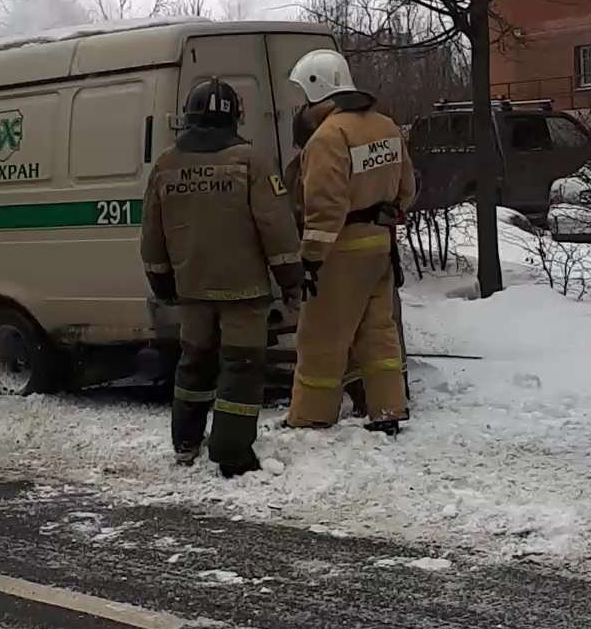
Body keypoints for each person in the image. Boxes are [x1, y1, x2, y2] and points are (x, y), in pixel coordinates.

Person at [140, 78, 303, 477]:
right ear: (235, 116)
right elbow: (276, 226)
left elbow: (152, 235)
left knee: (193, 364)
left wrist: (162, 284)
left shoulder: (165, 165)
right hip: (243, 293)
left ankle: (185, 442)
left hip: (192, 291)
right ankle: (231, 452)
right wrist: (291, 279)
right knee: (241, 367)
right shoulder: (250, 160)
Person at [285, 49, 416, 435]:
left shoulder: (329, 136)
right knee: (378, 332)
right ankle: (388, 408)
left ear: (316, 88)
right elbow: (407, 188)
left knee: (322, 337)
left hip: (341, 251)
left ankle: (311, 416)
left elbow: (325, 207)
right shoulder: (386, 126)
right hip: (380, 246)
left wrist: (310, 259)